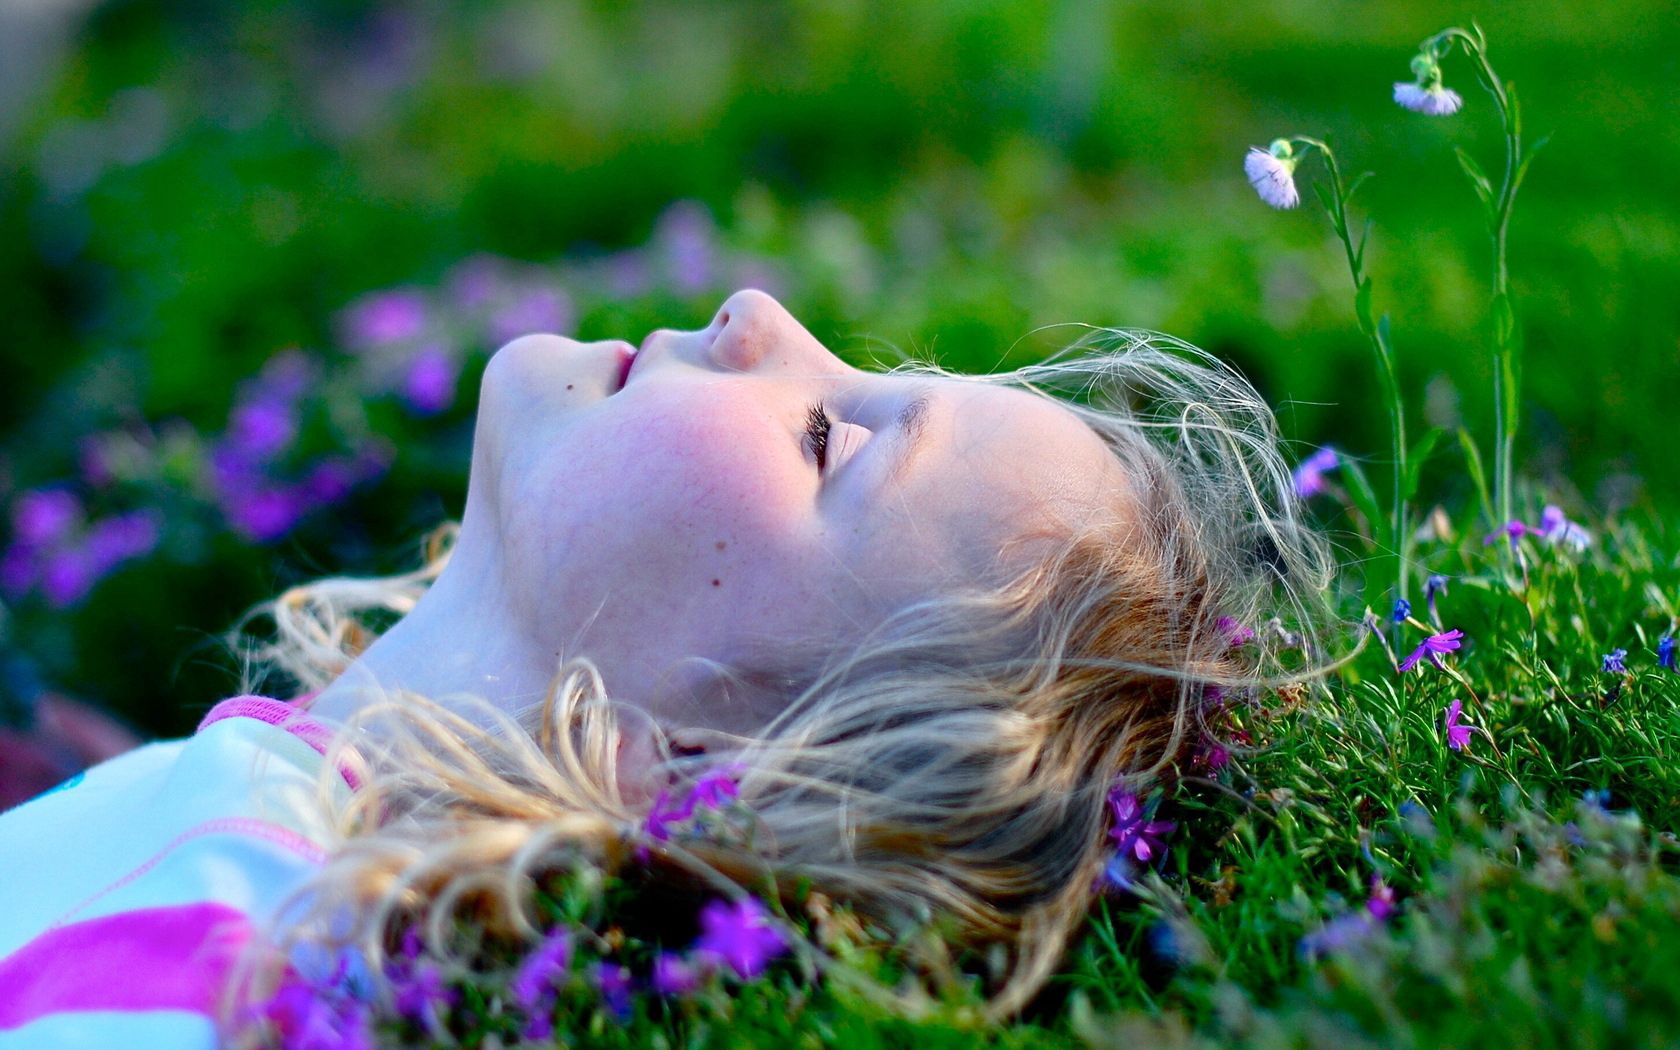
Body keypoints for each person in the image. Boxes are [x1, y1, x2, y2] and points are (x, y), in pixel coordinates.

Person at [0, 290, 1330, 1047]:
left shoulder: (210, 982)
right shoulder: (232, 824)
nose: (762, 313)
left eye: (830, 440)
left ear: (709, 769)